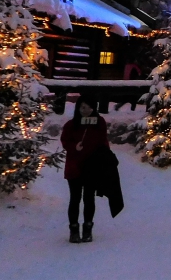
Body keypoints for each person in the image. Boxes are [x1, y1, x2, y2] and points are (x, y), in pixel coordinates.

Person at [60, 95, 109, 243]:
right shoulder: (70, 124)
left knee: (89, 198)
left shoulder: (99, 123)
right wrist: (74, 147)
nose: (85, 110)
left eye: (88, 107)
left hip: (92, 167)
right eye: (82, 107)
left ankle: (88, 228)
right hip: (74, 167)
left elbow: (103, 141)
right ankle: (74, 229)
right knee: (75, 199)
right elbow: (65, 141)